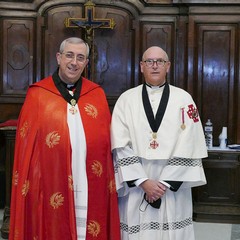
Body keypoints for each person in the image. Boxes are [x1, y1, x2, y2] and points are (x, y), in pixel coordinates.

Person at [9, 37, 121, 240]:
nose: (74, 62)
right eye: (69, 55)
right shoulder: (38, 95)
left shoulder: (97, 94)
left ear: (86, 63)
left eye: (80, 57)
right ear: (58, 58)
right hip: (50, 180)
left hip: (89, 178)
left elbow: (107, 144)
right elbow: (26, 150)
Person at [111, 46, 207, 240]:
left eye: (160, 61)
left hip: (172, 186)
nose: (154, 66)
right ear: (141, 66)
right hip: (137, 184)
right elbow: (119, 143)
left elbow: (191, 142)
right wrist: (143, 182)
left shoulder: (184, 99)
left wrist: (163, 184)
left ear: (168, 66)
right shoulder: (126, 100)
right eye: (149, 61)